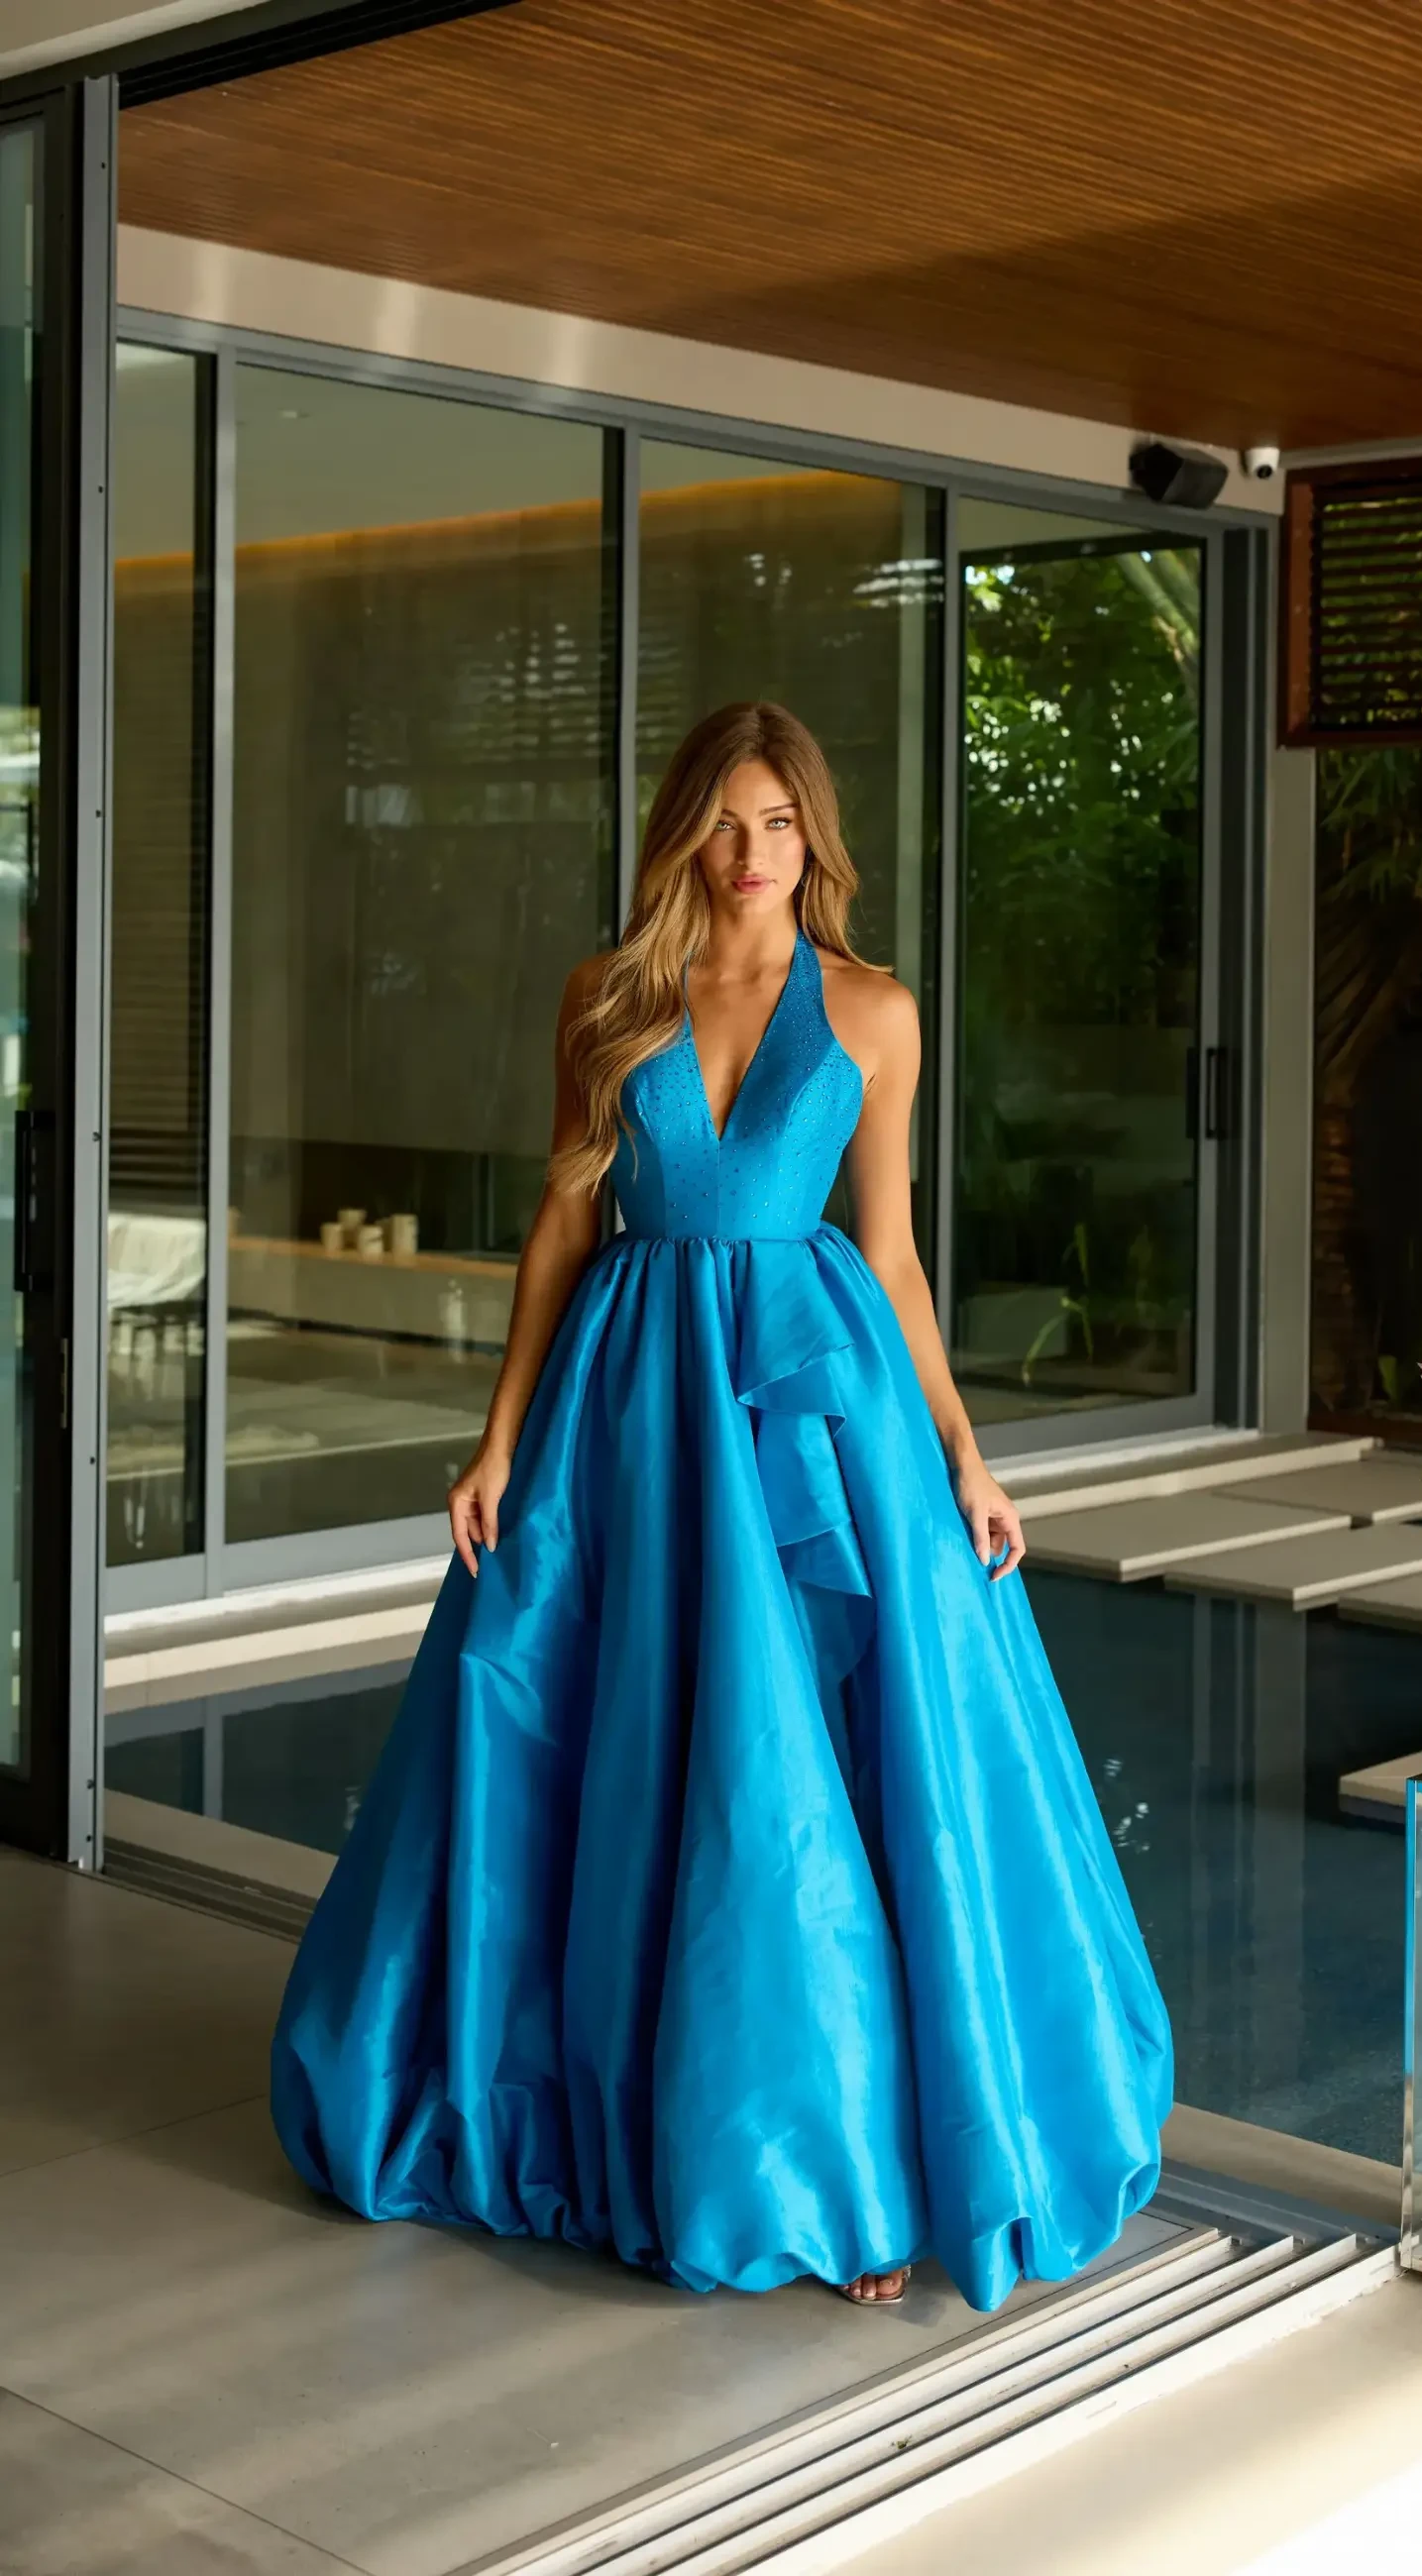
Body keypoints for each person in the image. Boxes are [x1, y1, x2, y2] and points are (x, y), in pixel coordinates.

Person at [272, 700, 1172, 2311]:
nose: (754, 854)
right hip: (628, 1404)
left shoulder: (874, 1012)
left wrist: (963, 1450)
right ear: (685, 832)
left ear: (813, 835)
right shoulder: (608, 996)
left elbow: (891, 1253)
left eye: (780, 823)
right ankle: (628, 2117)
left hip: (811, 1402)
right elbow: (563, 1225)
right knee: (623, 1740)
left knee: (811, 1763)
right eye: (726, 823)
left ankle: (841, 2165)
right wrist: (496, 1439)